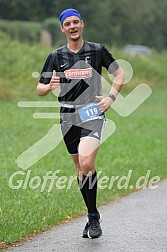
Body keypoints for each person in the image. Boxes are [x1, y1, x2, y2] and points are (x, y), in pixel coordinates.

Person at [36, 8, 124, 239]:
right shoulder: (56, 56)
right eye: (68, 24)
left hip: (92, 113)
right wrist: (49, 85)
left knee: (86, 163)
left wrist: (111, 98)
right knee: (79, 169)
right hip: (67, 116)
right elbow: (40, 89)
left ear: (82, 24)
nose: (73, 26)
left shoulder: (97, 50)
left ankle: (93, 218)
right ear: (62, 28)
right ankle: (92, 214)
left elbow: (120, 75)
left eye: (76, 22)